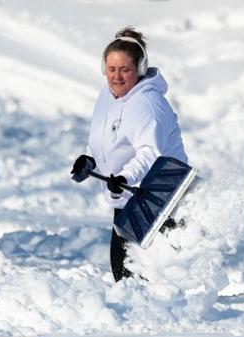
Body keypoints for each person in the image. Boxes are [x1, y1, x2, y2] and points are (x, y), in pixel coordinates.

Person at [71, 27, 189, 281]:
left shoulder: (148, 104)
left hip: (158, 199)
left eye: (125, 70)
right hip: (129, 197)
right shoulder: (108, 96)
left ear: (140, 69)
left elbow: (150, 153)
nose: (117, 77)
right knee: (125, 274)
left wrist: (125, 177)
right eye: (112, 69)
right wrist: (90, 158)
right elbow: (106, 138)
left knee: (134, 277)